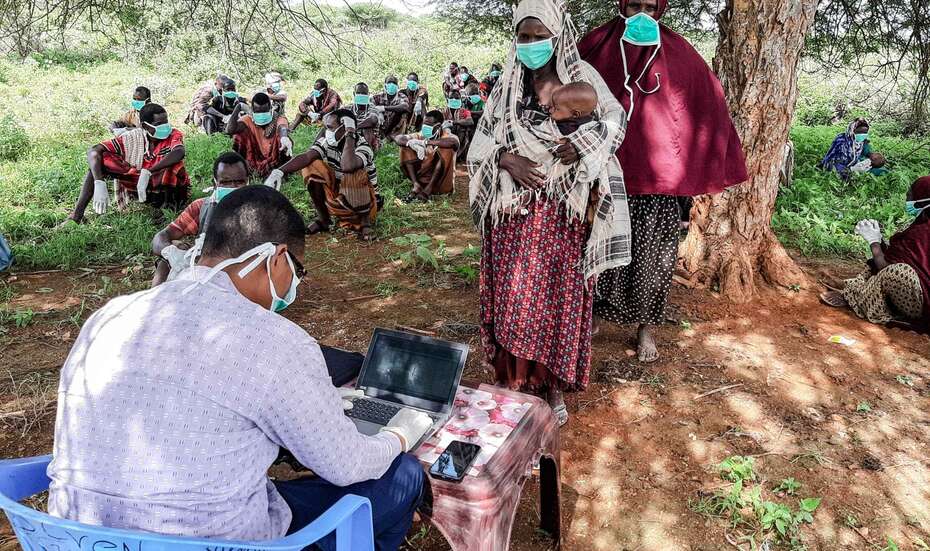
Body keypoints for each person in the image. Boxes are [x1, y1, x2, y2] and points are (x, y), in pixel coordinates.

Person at [48, 185, 432, 551]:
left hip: (79, 535)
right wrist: (399, 434)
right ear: (276, 257)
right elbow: (346, 466)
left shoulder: (111, 314)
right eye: (297, 270)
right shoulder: (279, 341)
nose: (295, 283)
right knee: (403, 475)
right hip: (217, 541)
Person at [468, 0, 632, 426]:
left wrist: (581, 145)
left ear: (557, 36)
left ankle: (552, 385)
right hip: (514, 214)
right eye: (523, 37)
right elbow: (482, 143)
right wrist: (507, 159)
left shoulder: (582, 79)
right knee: (514, 296)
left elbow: (615, 121)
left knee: (558, 297)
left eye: (539, 36)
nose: (530, 44)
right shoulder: (507, 87)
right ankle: (516, 381)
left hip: (564, 213)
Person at [578, 0, 748, 363]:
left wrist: (700, 166)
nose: (643, 13)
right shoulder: (594, 47)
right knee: (595, 250)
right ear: (621, 4)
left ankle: (645, 327)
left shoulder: (681, 54)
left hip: (658, 183)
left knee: (653, 258)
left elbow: (706, 108)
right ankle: (590, 316)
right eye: (635, 4)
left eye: (651, 6)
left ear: (662, 8)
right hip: (606, 176)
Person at [821, 176, 929, 328]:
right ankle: (852, 285)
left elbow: (885, 267)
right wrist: (880, 240)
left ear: (922, 201)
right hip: (918, 297)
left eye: (910, 196)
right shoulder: (921, 225)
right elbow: (901, 256)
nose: (907, 199)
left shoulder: (922, 232)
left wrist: (874, 242)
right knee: (878, 261)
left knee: (897, 272)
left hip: (922, 306)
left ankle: (854, 297)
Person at [64, 103, 190, 224]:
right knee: (101, 161)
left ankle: (170, 209)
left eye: (166, 122)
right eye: (159, 124)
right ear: (145, 126)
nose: (165, 126)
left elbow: (179, 151)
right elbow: (94, 151)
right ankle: (76, 216)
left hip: (165, 188)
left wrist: (149, 171)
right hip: (138, 182)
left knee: (174, 166)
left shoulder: (173, 134)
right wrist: (99, 182)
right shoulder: (132, 138)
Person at [266, 109, 380, 241]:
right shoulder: (328, 142)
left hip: (366, 203)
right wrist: (279, 172)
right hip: (341, 194)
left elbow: (348, 166)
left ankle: (365, 224)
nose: (327, 132)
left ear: (345, 128)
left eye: (330, 128)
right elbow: (307, 156)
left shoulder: (362, 146)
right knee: (311, 166)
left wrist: (350, 133)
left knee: (353, 173)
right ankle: (324, 219)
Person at [150, 151, 250, 286]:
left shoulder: (262, 208)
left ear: (248, 182)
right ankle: (157, 299)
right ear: (215, 183)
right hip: (206, 270)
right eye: (226, 182)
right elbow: (161, 237)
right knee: (164, 263)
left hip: (245, 272)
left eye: (239, 182)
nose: (233, 187)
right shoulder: (202, 207)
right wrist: (171, 252)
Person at [395, 110, 459, 203]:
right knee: (405, 147)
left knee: (446, 148)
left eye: (428, 124)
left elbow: (454, 142)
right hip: (422, 178)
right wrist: (410, 143)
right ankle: (416, 185)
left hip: (441, 183)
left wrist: (425, 143)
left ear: (437, 126)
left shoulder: (447, 136)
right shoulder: (421, 135)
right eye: (424, 124)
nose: (424, 127)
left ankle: (429, 189)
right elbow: (398, 138)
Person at [227, 92, 293, 178]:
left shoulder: (278, 118)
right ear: (252, 110)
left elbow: (282, 127)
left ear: (270, 108)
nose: (261, 114)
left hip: (274, 159)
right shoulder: (248, 119)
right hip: (253, 158)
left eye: (264, 111)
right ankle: (248, 168)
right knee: (239, 136)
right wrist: (239, 107)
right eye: (258, 111)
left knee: (283, 140)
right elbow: (230, 130)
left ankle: (281, 170)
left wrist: (284, 137)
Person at [373, 75, 411, 140]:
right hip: (381, 125)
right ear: (385, 86)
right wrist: (379, 113)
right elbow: (369, 105)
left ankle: (393, 136)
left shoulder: (401, 96)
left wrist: (383, 108)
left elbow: (405, 106)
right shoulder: (379, 96)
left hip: (396, 126)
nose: (392, 85)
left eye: (394, 83)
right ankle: (378, 136)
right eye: (389, 83)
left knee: (400, 112)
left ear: (397, 86)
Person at [444, 89, 475, 163]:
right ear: (448, 99)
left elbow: (470, 121)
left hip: (461, 137)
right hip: (447, 137)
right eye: (451, 98)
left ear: (460, 99)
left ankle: (459, 154)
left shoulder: (464, 111)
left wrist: (454, 122)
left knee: (462, 128)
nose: (454, 100)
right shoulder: (444, 111)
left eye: (457, 98)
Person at [351, 82, 383, 151]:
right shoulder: (349, 108)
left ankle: (367, 153)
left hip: (370, 139)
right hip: (352, 136)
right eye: (358, 93)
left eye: (364, 93)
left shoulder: (371, 107)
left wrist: (353, 127)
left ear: (368, 95)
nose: (361, 95)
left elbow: (373, 120)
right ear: (354, 94)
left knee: (367, 129)